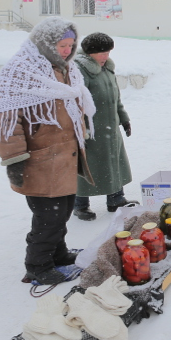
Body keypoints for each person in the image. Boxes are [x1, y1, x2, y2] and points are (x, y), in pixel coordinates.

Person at [0, 17, 96, 285]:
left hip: (65, 157)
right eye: (62, 45)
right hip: (39, 161)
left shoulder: (67, 69)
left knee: (63, 212)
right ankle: (38, 266)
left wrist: (81, 133)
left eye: (71, 45)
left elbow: (74, 105)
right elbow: (6, 120)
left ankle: (58, 254)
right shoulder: (21, 70)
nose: (67, 51)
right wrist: (14, 160)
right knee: (48, 218)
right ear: (45, 43)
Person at [73, 32, 136, 221]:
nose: (106, 56)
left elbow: (115, 99)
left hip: (110, 127)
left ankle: (116, 199)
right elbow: (74, 104)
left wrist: (124, 119)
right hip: (90, 130)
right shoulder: (79, 71)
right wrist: (79, 131)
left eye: (108, 52)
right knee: (87, 166)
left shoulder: (107, 68)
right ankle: (80, 205)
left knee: (114, 162)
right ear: (89, 53)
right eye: (102, 53)